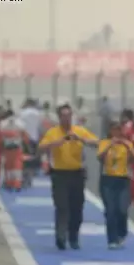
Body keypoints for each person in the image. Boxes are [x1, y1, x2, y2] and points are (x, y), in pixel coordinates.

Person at [38, 104, 98, 250]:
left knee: (76, 208)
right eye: (63, 116)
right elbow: (41, 147)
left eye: (69, 116)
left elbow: (97, 143)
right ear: (59, 117)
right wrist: (55, 143)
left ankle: (73, 236)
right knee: (61, 206)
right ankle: (60, 236)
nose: (66, 119)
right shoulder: (53, 132)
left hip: (77, 173)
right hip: (59, 174)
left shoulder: (79, 130)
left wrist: (81, 139)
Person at [97, 121, 134, 249]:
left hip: (123, 180)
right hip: (108, 180)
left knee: (122, 209)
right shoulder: (104, 143)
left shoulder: (127, 144)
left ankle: (121, 233)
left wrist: (126, 145)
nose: (116, 133)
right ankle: (112, 239)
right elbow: (100, 157)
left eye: (118, 130)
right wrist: (110, 145)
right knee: (111, 210)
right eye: (114, 130)